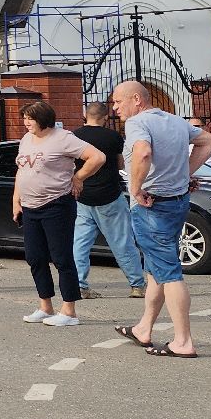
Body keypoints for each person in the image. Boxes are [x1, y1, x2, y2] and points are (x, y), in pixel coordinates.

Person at [113, 81, 211, 358]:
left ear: (136, 99)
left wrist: (135, 188)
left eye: (118, 102)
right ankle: (144, 328)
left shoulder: (137, 123)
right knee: (156, 268)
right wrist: (184, 173)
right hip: (177, 202)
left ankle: (183, 341)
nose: (115, 108)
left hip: (152, 206)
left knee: (169, 272)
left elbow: (143, 153)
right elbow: (209, 142)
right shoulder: (175, 121)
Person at [13, 102, 105, 327]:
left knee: (61, 257)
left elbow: (97, 157)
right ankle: (45, 306)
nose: (26, 123)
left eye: (30, 119)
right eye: (24, 118)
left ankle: (69, 310)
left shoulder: (64, 138)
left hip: (56, 205)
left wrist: (78, 177)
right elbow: (21, 170)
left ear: (43, 119)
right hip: (30, 206)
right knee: (35, 258)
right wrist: (16, 200)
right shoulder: (26, 140)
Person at [73, 103, 143, 299]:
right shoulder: (113, 137)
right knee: (122, 241)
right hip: (109, 195)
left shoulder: (74, 136)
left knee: (80, 243)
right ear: (105, 117)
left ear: (85, 116)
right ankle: (137, 285)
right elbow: (121, 163)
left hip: (83, 195)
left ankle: (79, 285)